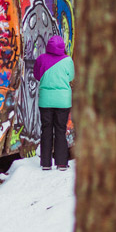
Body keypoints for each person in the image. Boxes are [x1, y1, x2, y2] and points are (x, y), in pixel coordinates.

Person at [32, 35, 75, 171]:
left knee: (46, 130)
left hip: (46, 100)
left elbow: (37, 75)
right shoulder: (68, 60)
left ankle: (46, 163)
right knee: (61, 130)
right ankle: (62, 163)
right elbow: (71, 76)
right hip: (63, 100)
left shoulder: (41, 59)